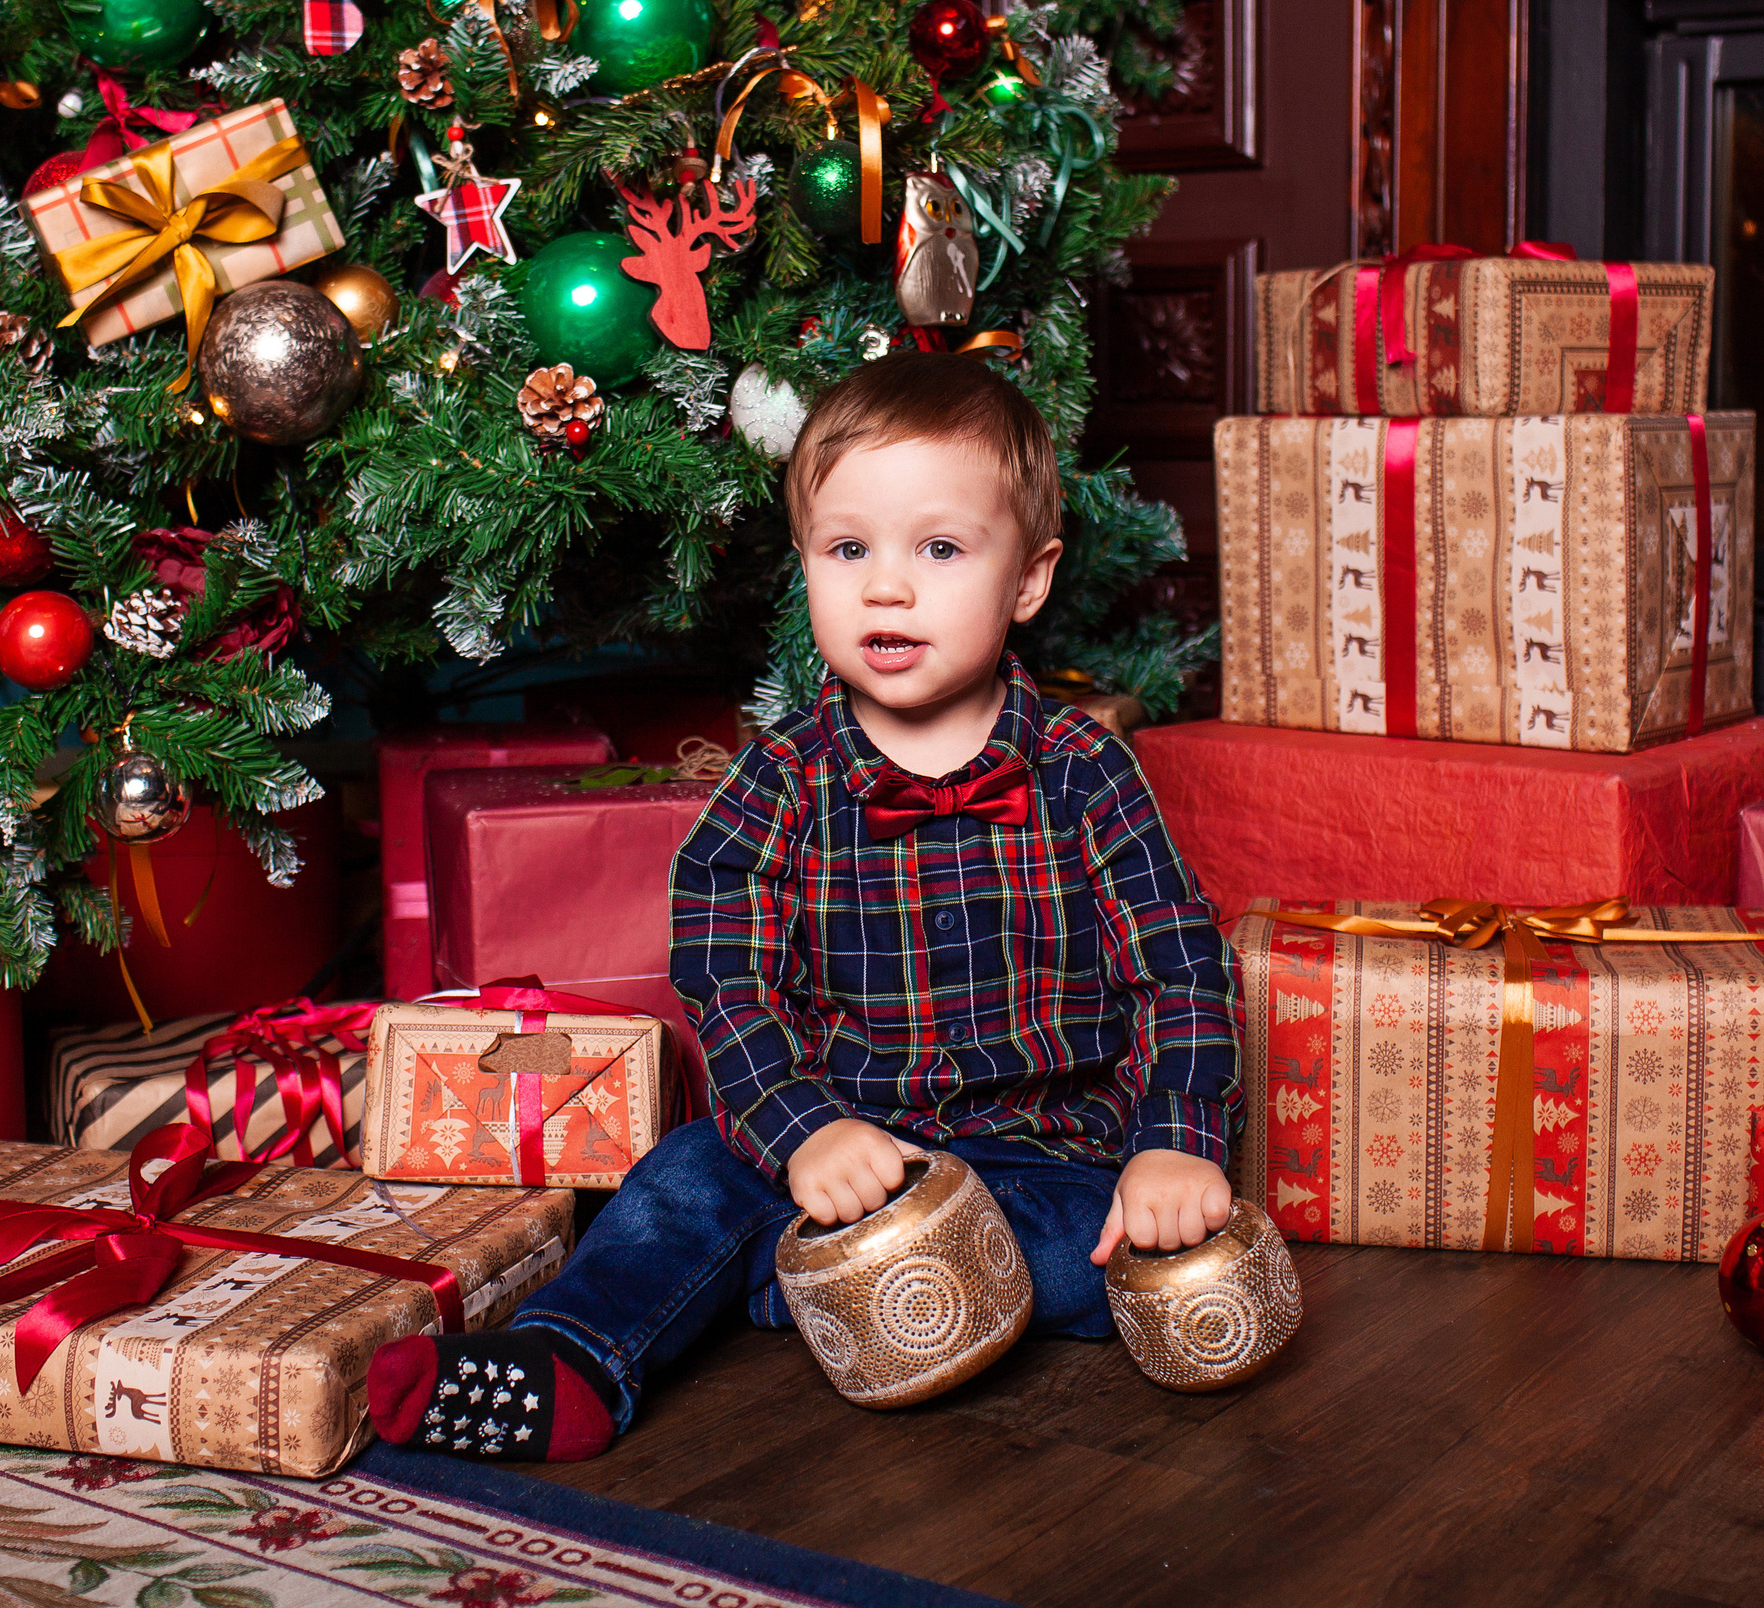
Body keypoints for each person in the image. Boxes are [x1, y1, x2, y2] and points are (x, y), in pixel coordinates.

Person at [368, 351, 1242, 1461]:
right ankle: (571, 1356)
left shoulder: (1083, 771)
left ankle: (832, 1290)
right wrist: (803, 1131)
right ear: (807, 567)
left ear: (1028, 579)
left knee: (1110, 1239)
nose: (886, 586)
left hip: (1032, 1152)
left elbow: (1178, 967)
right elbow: (726, 985)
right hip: (830, 1139)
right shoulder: (775, 781)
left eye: (938, 549)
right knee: (678, 1184)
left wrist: (1176, 1144)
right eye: (847, 550)